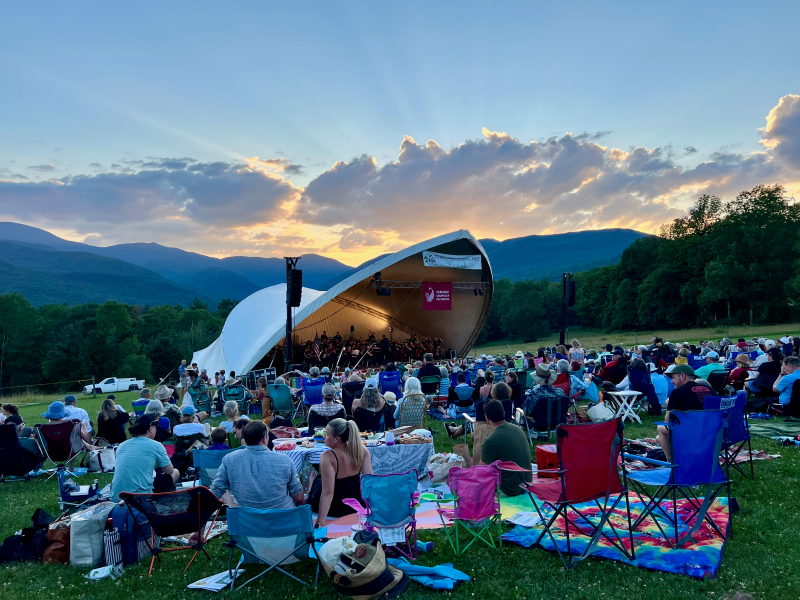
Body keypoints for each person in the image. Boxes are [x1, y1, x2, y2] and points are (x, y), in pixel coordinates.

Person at [210, 420, 303, 509]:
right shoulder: (284, 460)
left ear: (245, 439)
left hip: (248, 521)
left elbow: (215, 491)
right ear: (264, 438)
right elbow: (298, 497)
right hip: (283, 520)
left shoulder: (229, 459)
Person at [313, 419, 373, 527]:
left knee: (314, 487)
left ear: (336, 438)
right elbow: (370, 483)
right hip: (355, 504)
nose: (323, 437)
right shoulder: (362, 451)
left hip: (335, 507)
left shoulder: (327, 456)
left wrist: (319, 523)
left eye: (326, 434)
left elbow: (328, 493)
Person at [110, 415, 179, 501]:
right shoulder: (156, 445)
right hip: (141, 496)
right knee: (175, 472)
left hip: (117, 496)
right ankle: (166, 502)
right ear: (150, 428)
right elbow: (169, 471)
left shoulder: (121, 445)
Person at [656, 365, 714, 460]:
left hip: (689, 433)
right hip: (710, 433)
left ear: (682, 376)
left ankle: (670, 461)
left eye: (674, 377)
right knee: (659, 438)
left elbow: (668, 420)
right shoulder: (710, 390)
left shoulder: (677, 392)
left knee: (660, 428)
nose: (672, 381)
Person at [479, 398, 532, 495]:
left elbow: (482, 473)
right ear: (503, 412)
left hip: (510, 489)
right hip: (527, 483)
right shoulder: (518, 429)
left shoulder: (490, 441)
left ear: (487, 417)